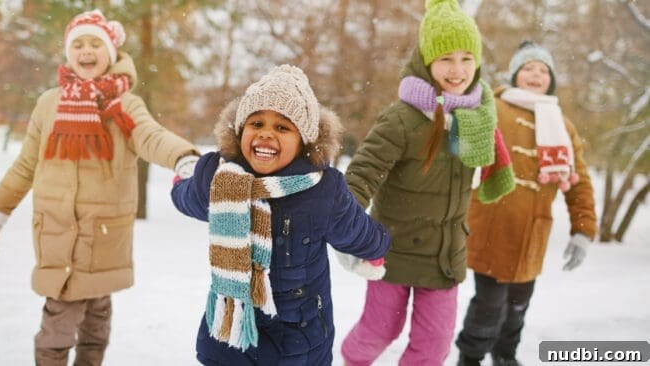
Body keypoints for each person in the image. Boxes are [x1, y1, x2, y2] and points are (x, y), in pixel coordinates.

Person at [0, 9, 199, 365]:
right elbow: (26, 164)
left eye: (95, 43)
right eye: (78, 43)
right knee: (59, 322)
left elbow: (149, 135)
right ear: (68, 53)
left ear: (111, 54)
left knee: (97, 318)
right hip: (58, 234)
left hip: (103, 234)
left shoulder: (122, 105)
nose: (86, 51)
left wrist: (182, 157)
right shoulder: (48, 104)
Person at [170, 64, 390, 365]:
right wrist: (181, 184)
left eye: (282, 127)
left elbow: (356, 231)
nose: (266, 135)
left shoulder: (323, 190)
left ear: (304, 141)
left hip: (298, 338)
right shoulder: (219, 177)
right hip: (231, 335)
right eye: (256, 124)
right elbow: (189, 198)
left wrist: (378, 246)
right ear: (239, 130)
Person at [337, 0, 516, 365]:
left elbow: (488, 175)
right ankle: (349, 360)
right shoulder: (402, 119)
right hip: (392, 251)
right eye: (446, 58)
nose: (457, 69)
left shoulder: (478, 117)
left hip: (444, 255)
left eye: (467, 58)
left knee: (434, 345)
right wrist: (347, 226)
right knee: (378, 331)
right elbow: (363, 173)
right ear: (426, 61)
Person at [455, 41, 598, 366]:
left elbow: (581, 182)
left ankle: (505, 355)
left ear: (551, 80)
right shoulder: (493, 106)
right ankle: (470, 357)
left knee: (519, 304)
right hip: (492, 226)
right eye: (529, 68)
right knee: (488, 303)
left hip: (532, 234)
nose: (536, 75)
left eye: (543, 70)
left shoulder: (562, 125)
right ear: (516, 74)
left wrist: (583, 230)